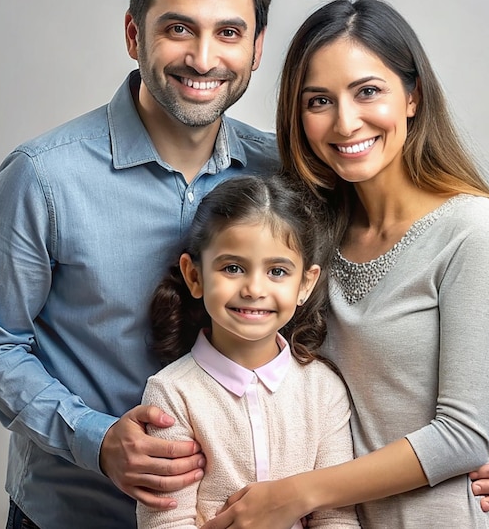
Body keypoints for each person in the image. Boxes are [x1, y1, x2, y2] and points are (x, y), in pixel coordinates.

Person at [0, 0, 489, 529]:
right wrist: (95, 438)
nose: (203, 57)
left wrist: (475, 430)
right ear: (132, 35)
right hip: (78, 513)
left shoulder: (291, 177)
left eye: (228, 32)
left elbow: (378, 331)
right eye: (178, 28)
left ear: (255, 48)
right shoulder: (43, 177)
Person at [201, 0, 489, 529]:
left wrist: (295, 494)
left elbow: (464, 436)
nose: (345, 122)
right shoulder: (307, 235)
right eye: (318, 101)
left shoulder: (472, 228)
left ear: (412, 96)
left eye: (368, 91)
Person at [137, 174, 360, 528]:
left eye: (277, 271)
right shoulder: (172, 393)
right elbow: (164, 520)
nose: (255, 288)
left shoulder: (324, 390)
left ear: (305, 283)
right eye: (233, 268)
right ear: (194, 277)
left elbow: (337, 516)